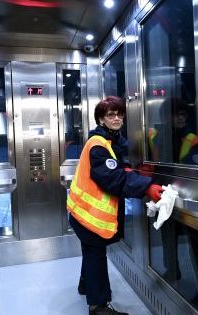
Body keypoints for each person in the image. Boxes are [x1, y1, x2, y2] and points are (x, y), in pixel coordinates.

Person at [67, 96, 163, 315]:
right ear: (101, 119)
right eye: (111, 115)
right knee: (96, 255)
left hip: (82, 211)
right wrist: (146, 186)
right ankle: (98, 306)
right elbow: (113, 177)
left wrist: (142, 155)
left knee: (91, 252)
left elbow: (121, 163)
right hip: (87, 214)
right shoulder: (97, 145)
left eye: (120, 114)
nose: (117, 118)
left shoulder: (112, 139)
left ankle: (86, 286)